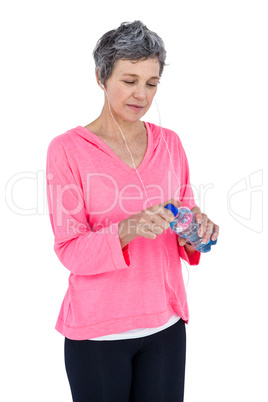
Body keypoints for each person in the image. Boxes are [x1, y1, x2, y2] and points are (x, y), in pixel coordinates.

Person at [46, 20, 219, 402]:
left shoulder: (170, 144)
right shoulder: (67, 150)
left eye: (151, 83)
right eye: (129, 80)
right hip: (99, 333)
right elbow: (69, 249)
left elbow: (184, 226)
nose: (141, 94)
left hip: (166, 326)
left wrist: (199, 232)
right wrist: (127, 229)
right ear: (101, 77)